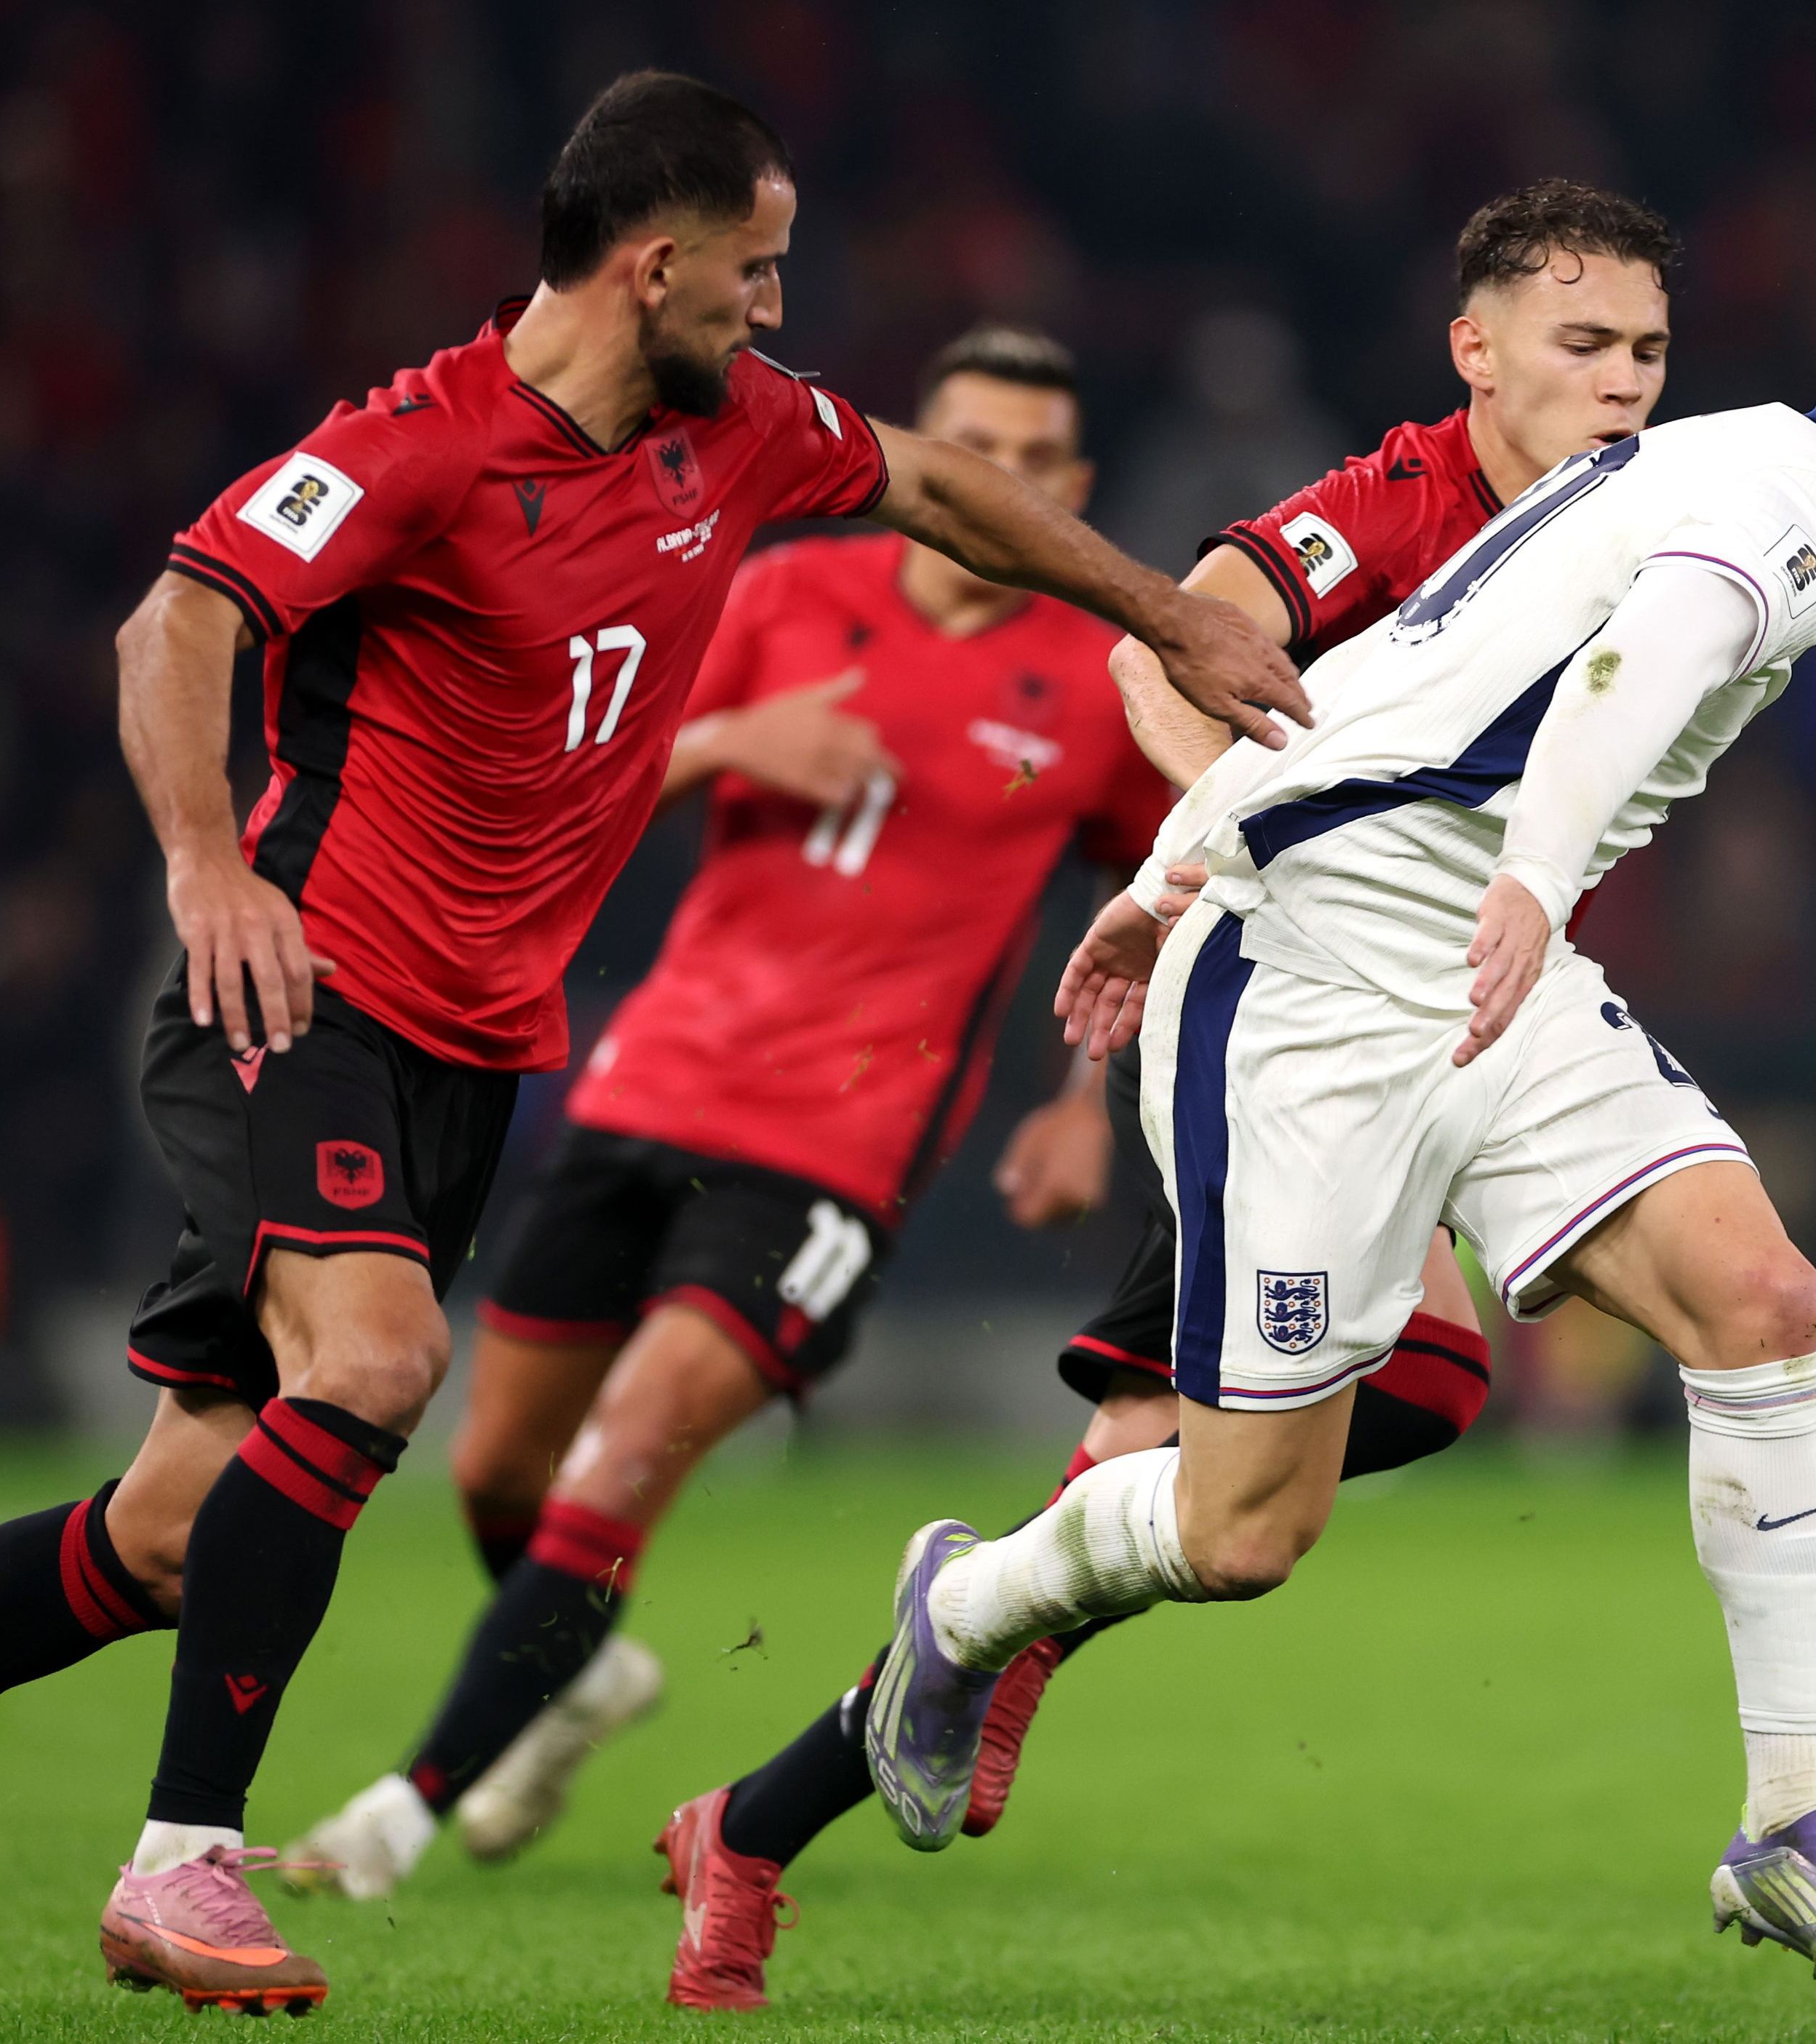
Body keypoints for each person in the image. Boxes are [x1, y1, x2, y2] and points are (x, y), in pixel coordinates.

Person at [651, 181, 1816, 2013]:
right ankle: (958, 1613)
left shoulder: (1770, 494)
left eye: (1641, 348)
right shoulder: (1733, 510)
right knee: (1238, 1529)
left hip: (1477, 973)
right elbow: (1562, 671)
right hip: (1319, 994)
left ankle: (1787, 1822)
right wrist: (1354, 868)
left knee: (1761, 1299)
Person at [0, 73, 1306, 2016]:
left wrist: (1167, 622)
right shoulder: (418, 447)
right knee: (381, 1360)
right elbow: (175, 622)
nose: (777, 315)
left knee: (177, 1530)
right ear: (652, 264)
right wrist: (204, 868)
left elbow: (934, 482)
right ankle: (184, 1866)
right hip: (295, 991)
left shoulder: (738, 434)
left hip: (472, 1049)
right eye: (754, 276)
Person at [263, 323, 1178, 1899]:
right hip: (651, 1083)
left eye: (1038, 463)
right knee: (497, 1467)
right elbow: (584, 765)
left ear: (1073, 486)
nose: (1002, 483)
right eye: (977, 448)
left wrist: (1084, 1103)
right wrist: (735, 738)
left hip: (835, 1148)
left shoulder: (1095, 689)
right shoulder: (781, 595)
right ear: (923, 448)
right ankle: (581, 1669)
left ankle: (400, 1813)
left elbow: (1154, 893)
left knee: (622, 1459)